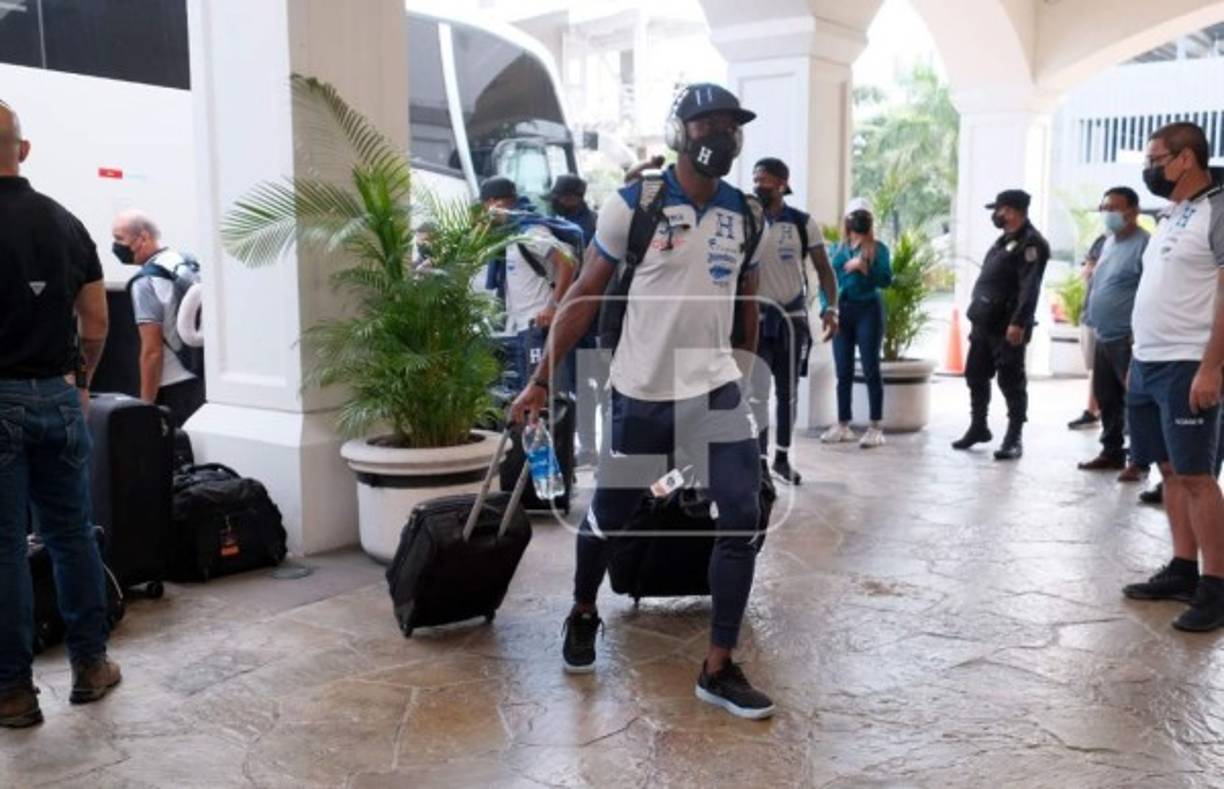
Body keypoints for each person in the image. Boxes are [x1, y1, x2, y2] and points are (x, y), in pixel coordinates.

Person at [511, 83, 774, 719]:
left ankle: (718, 665)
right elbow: (584, 298)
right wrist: (543, 378)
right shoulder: (636, 204)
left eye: (731, 126)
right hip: (642, 390)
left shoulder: (749, 215)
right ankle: (581, 609)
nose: (721, 136)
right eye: (707, 124)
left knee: (742, 512)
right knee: (610, 514)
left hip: (711, 386)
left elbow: (748, 306)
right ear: (680, 131)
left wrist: (742, 374)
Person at [0, 99, 122, 729]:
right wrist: (80, 381)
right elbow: (96, 321)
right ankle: (90, 667)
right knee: (71, 534)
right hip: (56, 393)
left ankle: (14, 693)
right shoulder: (66, 222)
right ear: (23, 150)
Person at [1121, 122, 1224, 632]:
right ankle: (1183, 570)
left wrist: (1211, 366)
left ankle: (1217, 587)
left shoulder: (1218, 209)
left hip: (1188, 363)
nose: (1150, 168)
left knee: (1199, 477)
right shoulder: (1171, 212)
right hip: (1149, 362)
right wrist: (1137, 360)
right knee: (1169, 470)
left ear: (1186, 159)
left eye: (1156, 158)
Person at [750, 157, 838, 483]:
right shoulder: (747, 220)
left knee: (787, 393)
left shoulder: (801, 222)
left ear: (783, 184)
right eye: (756, 179)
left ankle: (782, 459)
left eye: (766, 180)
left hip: (791, 320)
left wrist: (832, 307)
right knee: (756, 393)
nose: (759, 184)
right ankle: (759, 461)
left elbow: (825, 270)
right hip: (756, 320)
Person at [952, 189, 1050, 460]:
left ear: (1014, 210)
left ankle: (1014, 437)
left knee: (1011, 381)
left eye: (1001, 209)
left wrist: (1019, 323)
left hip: (1007, 326)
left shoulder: (1031, 243)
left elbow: (1029, 288)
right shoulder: (1003, 241)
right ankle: (978, 427)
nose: (997, 215)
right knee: (975, 375)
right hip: (984, 322)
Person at [1076, 188, 1149, 478]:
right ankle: (1111, 452)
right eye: (1105, 207)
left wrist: (1138, 333)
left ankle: (1139, 460)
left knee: (1136, 401)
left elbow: (1148, 292)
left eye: (1115, 208)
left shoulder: (1144, 245)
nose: (1109, 213)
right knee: (1107, 398)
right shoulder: (1108, 243)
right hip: (1103, 334)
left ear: (1133, 211)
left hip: (1127, 338)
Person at [480, 177, 578, 390]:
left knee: (546, 399)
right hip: (522, 328)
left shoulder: (530, 231)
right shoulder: (510, 233)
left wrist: (553, 306)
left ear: (495, 202)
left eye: (484, 206)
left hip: (540, 327)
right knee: (527, 396)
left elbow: (567, 262)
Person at [111, 210, 204, 428]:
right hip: (202, 373)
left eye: (119, 239)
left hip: (174, 386)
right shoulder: (187, 261)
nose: (115, 246)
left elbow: (152, 351)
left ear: (143, 238)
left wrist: (145, 405)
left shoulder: (145, 282)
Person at [820, 198, 893, 448]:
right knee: (843, 370)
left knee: (871, 368)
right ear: (847, 220)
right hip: (843, 311)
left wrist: (865, 269)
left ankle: (875, 426)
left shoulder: (878, 249)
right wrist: (826, 310)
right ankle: (843, 424)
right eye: (855, 215)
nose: (858, 220)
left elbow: (886, 280)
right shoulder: (837, 250)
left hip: (868, 311)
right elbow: (826, 282)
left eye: (863, 215)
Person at [549, 175, 604, 465]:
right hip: (573, 317)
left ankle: (596, 448)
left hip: (592, 319)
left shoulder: (592, 227)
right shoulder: (557, 222)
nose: (557, 202)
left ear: (574, 197)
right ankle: (585, 447)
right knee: (575, 386)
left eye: (562, 197)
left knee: (594, 385)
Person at [1068, 234, 1107, 431]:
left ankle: (1112, 414)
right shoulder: (1101, 239)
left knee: (1111, 368)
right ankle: (1092, 410)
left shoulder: (1136, 242)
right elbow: (1088, 270)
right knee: (1094, 367)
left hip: (1112, 319)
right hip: (1090, 314)